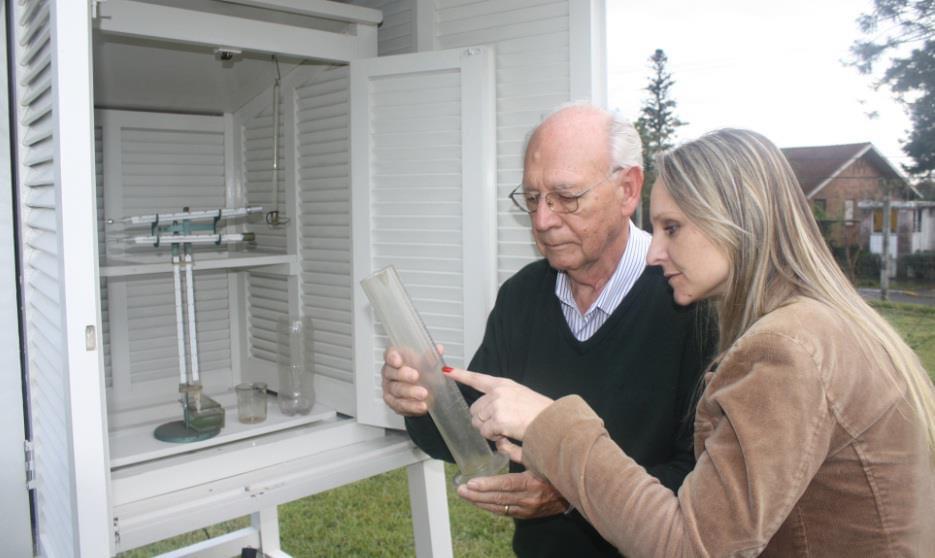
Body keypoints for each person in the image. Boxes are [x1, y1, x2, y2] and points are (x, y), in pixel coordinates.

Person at [446, 128, 935, 556]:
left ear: (739, 222)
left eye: (672, 228)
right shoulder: (823, 325)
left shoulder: (786, 349)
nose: (655, 252)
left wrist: (549, 421)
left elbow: (689, 545)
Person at [381, 102, 712, 557]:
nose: (542, 221)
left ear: (628, 189)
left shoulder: (691, 304)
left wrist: (571, 494)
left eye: (566, 197)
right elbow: (475, 438)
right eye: (533, 198)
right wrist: (423, 400)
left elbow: (703, 485)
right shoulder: (523, 297)